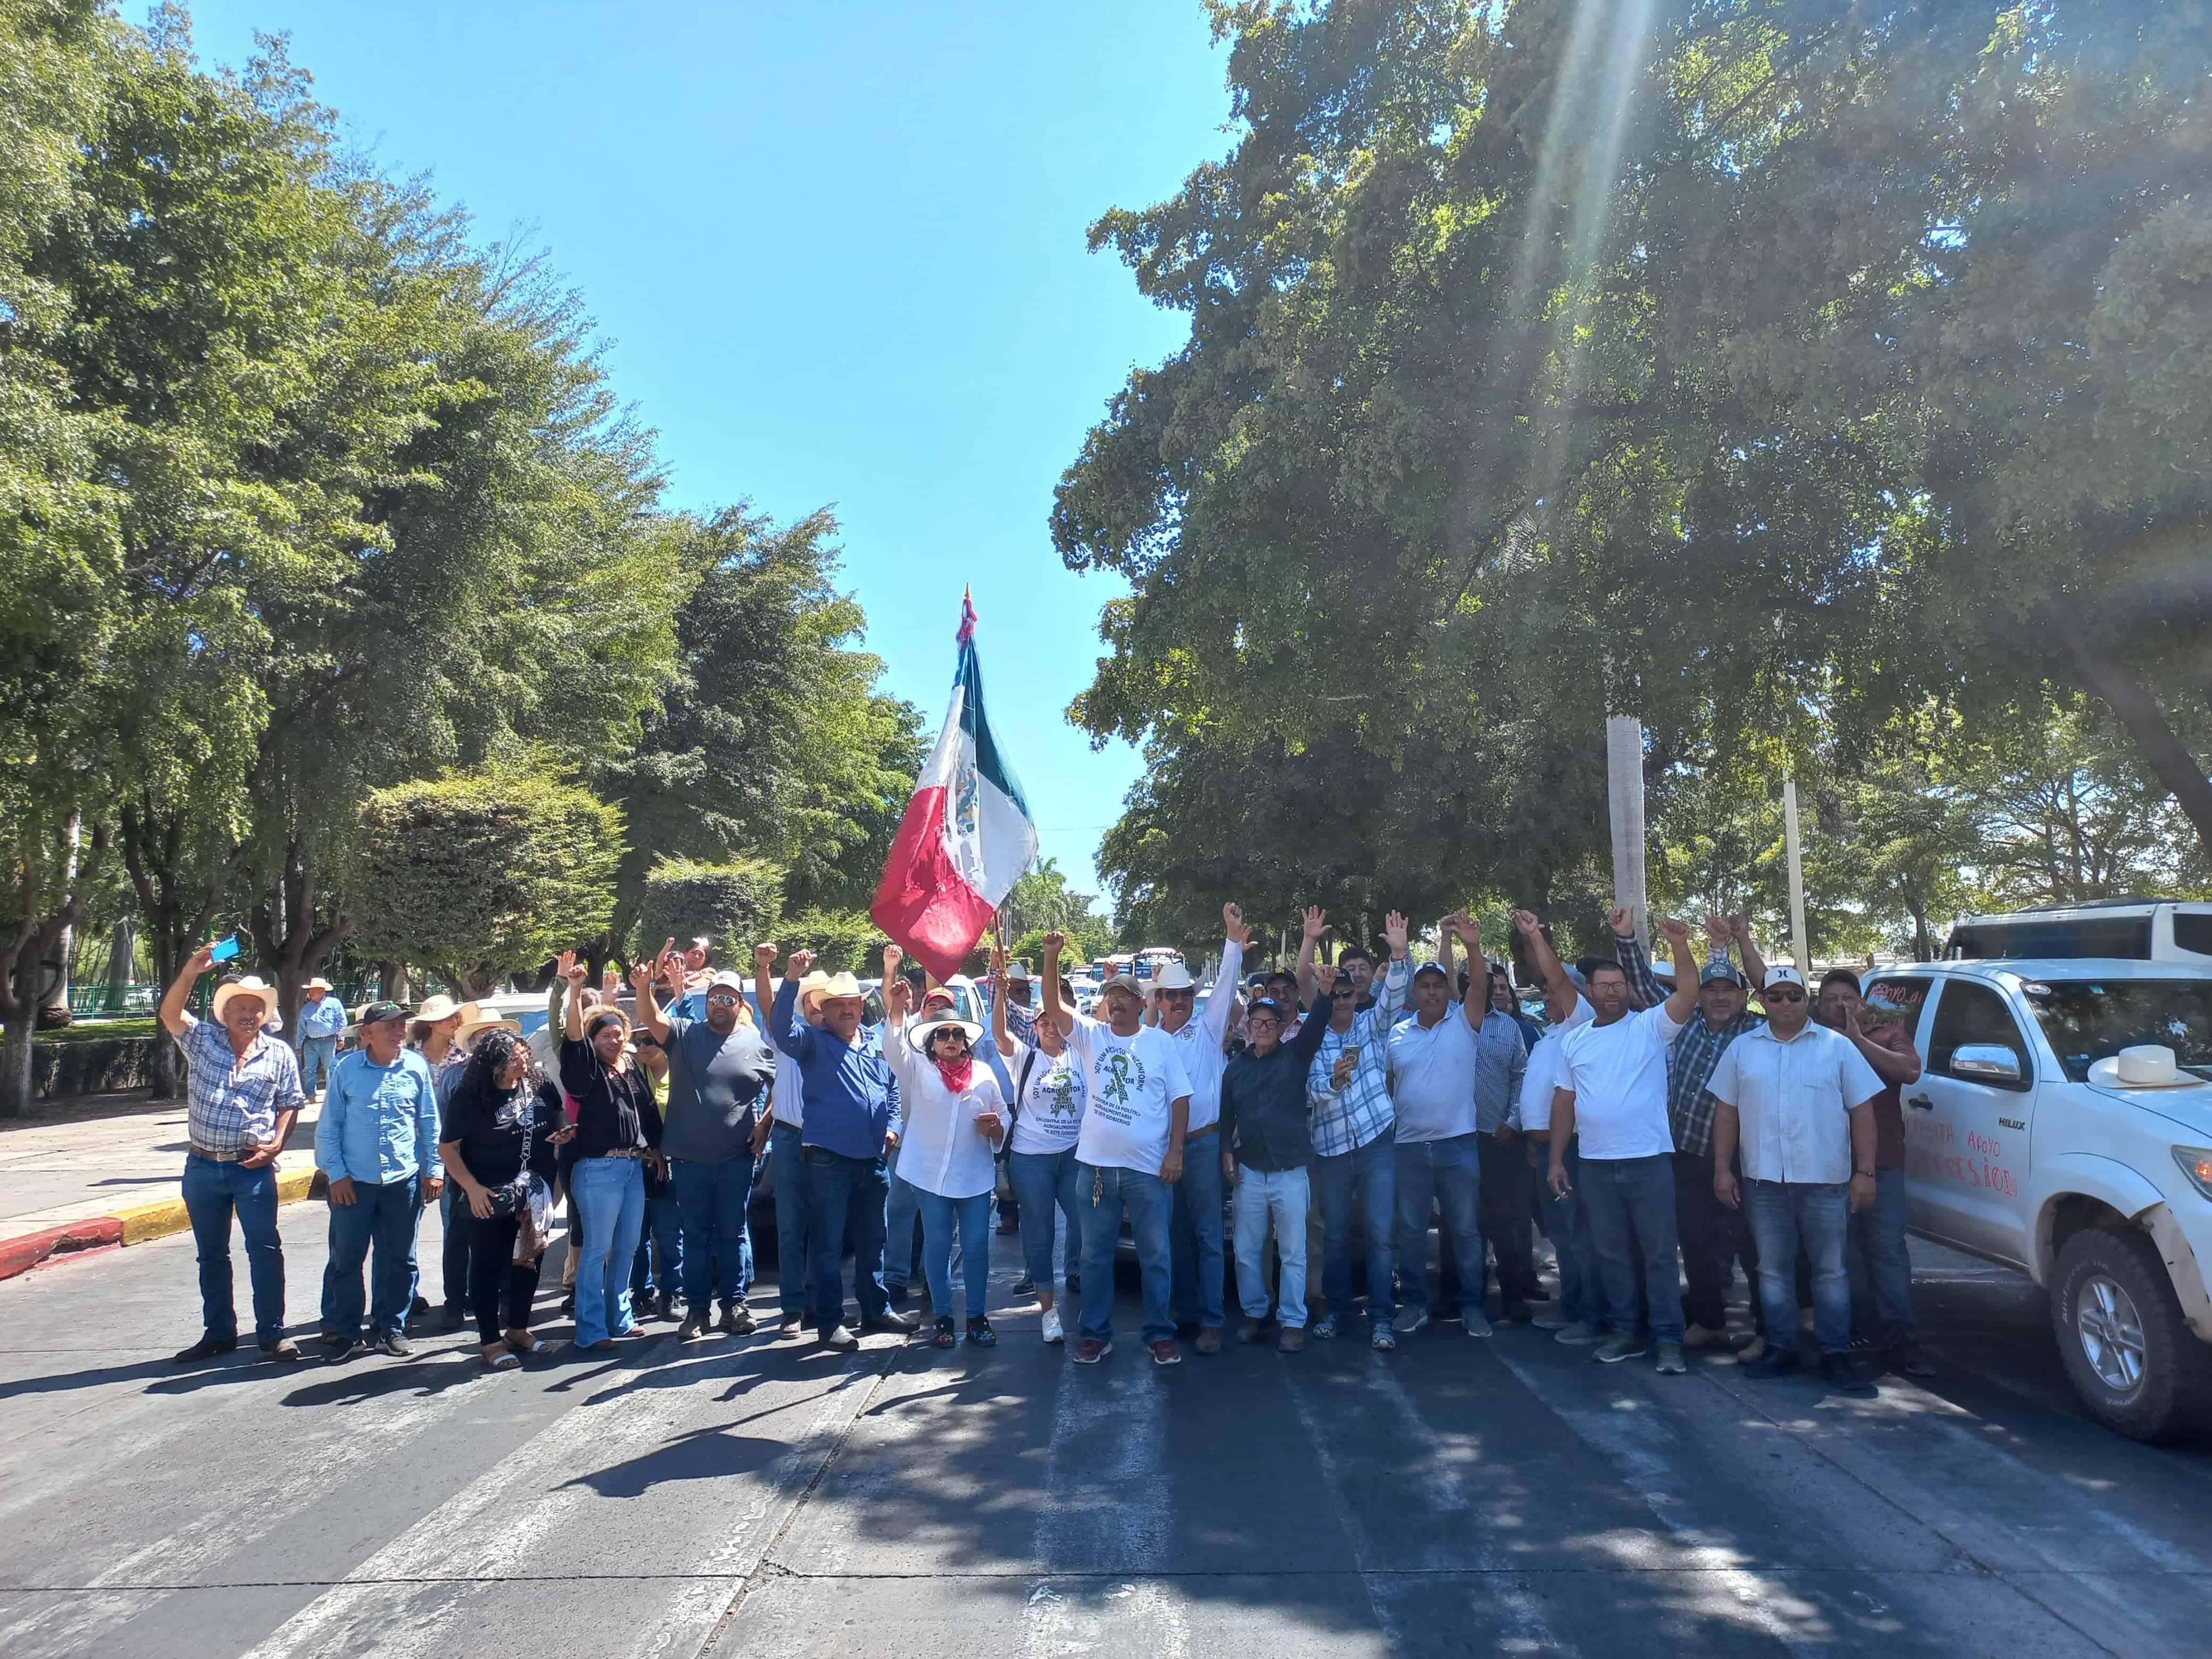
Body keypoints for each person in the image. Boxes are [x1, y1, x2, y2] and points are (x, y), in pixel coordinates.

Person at [1709, 963, 1885, 1397]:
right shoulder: (1741, 1050)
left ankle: (1835, 1354)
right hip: (1763, 1182)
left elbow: (1863, 1111)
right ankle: (1782, 1347)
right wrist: (1721, 1169)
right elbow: (1726, 1112)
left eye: (1794, 996)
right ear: (1762, 1002)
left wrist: (1866, 1173)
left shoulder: (1838, 1047)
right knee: (1772, 1271)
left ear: (1807, 1000)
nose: (1785, 1003)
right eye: (1776, 996)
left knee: (1831, 1272)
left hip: (1826, 1182)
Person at [1548, 909, 1702, 1373]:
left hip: (1649, 1163)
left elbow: (1690, 993)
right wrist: (1557, 1160)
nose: (1612, 992)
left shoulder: (1651, 1028)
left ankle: (1669, 1339)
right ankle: (1624, 1332)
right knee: (1611, 1254)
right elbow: (1563, 1105)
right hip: (1594, 1165)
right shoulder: (1575, 1042)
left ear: (1628, 991)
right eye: (1604, 986)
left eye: (1619, 985)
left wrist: (1679, 945)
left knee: (1658, 1255)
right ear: (1589, 992)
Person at [1614, 912, 1770, 1354]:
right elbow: (1644, 991)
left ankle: (1765, 1331)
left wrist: (1740, 940)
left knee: (1753, 1248)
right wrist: (1626, 938)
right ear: (1698, 995)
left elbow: (1774, 991)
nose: (1720, 998)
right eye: (1711, 990)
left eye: (1728, 990)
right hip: (1686, 1157)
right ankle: (1710, 1321)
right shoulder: (1683, 1027)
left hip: (1744, 1161)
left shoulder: (1761, 1029)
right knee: (1697, 1245)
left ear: (1743, 996)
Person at [1041, 929, 1194, 1365]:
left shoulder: (1160, 1043)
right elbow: (1054, 1007)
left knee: (1156, 1257)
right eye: (1112, 996)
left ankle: (1160, 1333)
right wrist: (1051, 957)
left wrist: (1175, 1153)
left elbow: (1180, 1099)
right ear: (1105, 1003)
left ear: (1143, 1002)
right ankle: (1095, 1333)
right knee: (1094, 1258)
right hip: (1096, 1171)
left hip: (1148, 1171)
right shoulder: (1091, 1036)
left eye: (1127, 995)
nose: (1118, 1002)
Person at [767, 946, 919, 1350]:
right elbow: (780, 1028)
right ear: (826, 1010)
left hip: (872, 1159)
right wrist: (791, 978)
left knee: (875, 1238)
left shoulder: (872, 1041)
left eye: (854, 1004)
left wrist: (892, 1126)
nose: (849, 1011)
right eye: (840, 1006)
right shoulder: (811, 1041)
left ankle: (875, 1309)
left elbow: (890, 1090)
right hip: (828, 1160)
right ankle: (831, 1321)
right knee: (829, 1242)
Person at [157, 952, 306, 1364]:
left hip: (251, 1167)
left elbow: (290, 1103)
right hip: (203, 1166)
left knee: (265, 1249)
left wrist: (277, 1144)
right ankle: (219, 1332)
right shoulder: (203, 1040)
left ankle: (273, 1334)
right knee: (212, 1254)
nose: (248, 1014)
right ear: (225, 1013)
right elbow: (169, 1013)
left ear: (265, 1014)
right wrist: (190, 971)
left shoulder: (279, 1054)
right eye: (240, 1007)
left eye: (256, 1008)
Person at [1388, 914, 1527, 1338]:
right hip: (1410, 1147)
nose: (1431, 992)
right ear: (1414, 992)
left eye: (1438, 985)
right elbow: (1391, 1087)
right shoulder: (1397, 1034)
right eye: (1424, 986)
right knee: (1411, 1230)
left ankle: (1472, 1306)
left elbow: (1481, 987)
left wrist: (1472, 946)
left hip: (1458, 1145)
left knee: (1466, 1230)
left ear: (1448, 990)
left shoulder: (1466, 1023)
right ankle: (1414, 1303)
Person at [640, 949, 777, 1340]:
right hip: (689, 1158)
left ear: (740, 1004)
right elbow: (651, 1019)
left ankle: (735, 1305)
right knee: (696, 1234)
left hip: (737, 1157)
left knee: (733, 1233)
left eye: (728, 998)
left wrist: (764, 1125)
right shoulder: (685, 1034)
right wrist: (643, 987)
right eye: (715, 998)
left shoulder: (754, 1042)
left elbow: (779, 1088)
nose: (720, 1004)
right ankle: (697, 1311)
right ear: (707, 1003)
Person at [1815, 968, 1931, 1379]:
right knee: (1843, 1255)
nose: (1840, 1005)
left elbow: (1909, 1071)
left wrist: (1858, 1041)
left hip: (1882, 1164)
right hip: (1826, 1167)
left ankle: (1902, 1340)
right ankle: (1860, 1333)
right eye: (1831, 998)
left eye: (1848, 998)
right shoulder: (1809, 1038)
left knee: (1888, 1252)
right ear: (1819, 1003)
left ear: (1861, 1003)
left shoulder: (1886, 1035)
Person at [885, 963, 1009, 1347]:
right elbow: (893, 1044)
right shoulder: (917, 1069)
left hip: (973, 1177)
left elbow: (1002, 1117)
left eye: (957, 1033)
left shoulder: (984, 1073)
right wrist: (896, 1005)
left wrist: (995, 1129)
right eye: (943, 1034)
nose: (951, 1039)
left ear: (965, 1039)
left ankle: (976, 1318)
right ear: (932, 1042)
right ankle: (942, 1318)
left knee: (975, 1248)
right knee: (937, 1248)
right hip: (929, 1176)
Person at [1301, 908, 1410, 1342]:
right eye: (1336, 995)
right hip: (1330, 1149)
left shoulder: (1373, 1025)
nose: (1343, 1001)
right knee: (1336, 1238)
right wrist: (1332, 1082)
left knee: (1381, 1234)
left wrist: (1399, 954)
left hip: (1376, 1141)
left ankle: (1382, 1315)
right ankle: (1338, 1312)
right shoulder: (1312, 1037)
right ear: (1327, 999)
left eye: (1348, 994)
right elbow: (1309, 1093)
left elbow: (1395, 996)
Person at [437, 1027, 572, 1369]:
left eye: (524, 1053)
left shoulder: (540, 1084)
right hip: (488, 1194)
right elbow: (449, 1149)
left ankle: (518, 1330)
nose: (523, 1061)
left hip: (534, 1193)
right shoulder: (470, 1097)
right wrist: (471, 1187)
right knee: (488, 1267)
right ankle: (490, 1341)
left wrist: (565, 1132)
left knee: (529, 1262)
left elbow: (559, 1117)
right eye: (513, 1058)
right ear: (493, 1064)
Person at [316, 1001, 443, 1360]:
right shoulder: (346, 1070)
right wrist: (336, 1176)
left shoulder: (416, 1067)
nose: (399, 1031)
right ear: (367, 1033)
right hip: (354, 1183)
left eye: (402, 1025)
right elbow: (329, 1129)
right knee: (347, 1260)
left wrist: (434, 1169)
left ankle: (391, 1328)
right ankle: (347, 1332)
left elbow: (430, 1123)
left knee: (401, 1260)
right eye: (389, 1026)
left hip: (402, 1182)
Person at [1218, 971, 1336, 1350]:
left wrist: (1327, 992)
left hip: (1291, 1171)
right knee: (1248, 1252)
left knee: (1293, 1251)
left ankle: (1292, 1321)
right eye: (1258, 1022)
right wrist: (1225, 1152)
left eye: (1271, 1022)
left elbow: (1317, 1023)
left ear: (1280, 1026)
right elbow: (1226, 1118)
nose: (1264, 1028)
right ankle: (1255, 1313)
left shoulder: (1296, 1057)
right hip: (1249, 1172)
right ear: (1249, 1027)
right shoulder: (1236, 1069)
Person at [557, 960, 665, 1353]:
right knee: (597, 1250)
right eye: (606, 1035)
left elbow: (649, 1110)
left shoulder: (631, 1065)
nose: (615, 1040)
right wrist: (574, 990)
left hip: (633, 1166)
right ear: (593, 1039)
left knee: (630, 1246)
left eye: (619, 1034)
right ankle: (590, 1328)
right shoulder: (585, 1069)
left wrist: (658, 1151)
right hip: (597, 1168)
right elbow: (572, 1038)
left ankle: (620, 1318)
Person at [1155, 902, 1248, 1354]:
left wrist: (1232, 939)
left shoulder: (1208, 1030)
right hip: (1160, 1151)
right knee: (1174, 1234)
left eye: (1185, 995)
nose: (1179, 1003)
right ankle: (1184, 1311)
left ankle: (1212, 1319)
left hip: (1204, 1146)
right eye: (1171, 996)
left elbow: (1228, 983)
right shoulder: (1149, 1042)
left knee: (1209, 1234)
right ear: (1158, 1001)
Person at [1512, 914, 1601, 1342]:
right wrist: (1535, 1141)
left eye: (1555, 990)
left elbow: (1560, 981)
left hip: (1572, 1151)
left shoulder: (1577, 1021)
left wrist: (1534, 937)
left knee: (1579, 1235)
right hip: (1548, 1150)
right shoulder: (1550, 1036)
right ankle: (1572, 1307)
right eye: (1545, 992)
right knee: (1563, 1236)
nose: (1549, 995)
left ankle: (1590, 1315)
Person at [993, 949, 1087, 1344]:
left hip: (1074, 1157)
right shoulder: (1024, 1057)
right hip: (1031, 1159)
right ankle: (1049, 1312)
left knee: (1085, 1222)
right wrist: (1000, 996)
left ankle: (1083, 1288)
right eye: (1043, 1021)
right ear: (1034, 1026)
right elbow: (999, 1034)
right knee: (1039, 1233)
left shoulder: (1083, 1053)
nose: (1051, 1027)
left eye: (1056, 1020)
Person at [755, 954, 827, 1336]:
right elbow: (769, 1009)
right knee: (791, 1225)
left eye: (824, 1000)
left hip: (827, 1141)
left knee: (825, 1224)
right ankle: (792, 1308)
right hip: (788, 1137)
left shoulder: (842, 1041)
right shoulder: (789, 1038)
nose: (818, 1006)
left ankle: (821, 1303)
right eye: (811, 1000)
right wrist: (767, 970)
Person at [295, 977, 345, 1102]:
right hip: (310, 1042)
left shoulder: (334, 1003)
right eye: (310, 990)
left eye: (313, 990)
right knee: (309, 1070)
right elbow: (301, 1027)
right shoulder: (306, 1008)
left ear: (322, 991)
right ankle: (310, 1095)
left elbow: (342, 1021)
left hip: (328, 1041)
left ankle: (331, 1095)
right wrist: (299, 1045)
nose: (310, 992)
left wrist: (341, 1038)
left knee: (330, 1068)